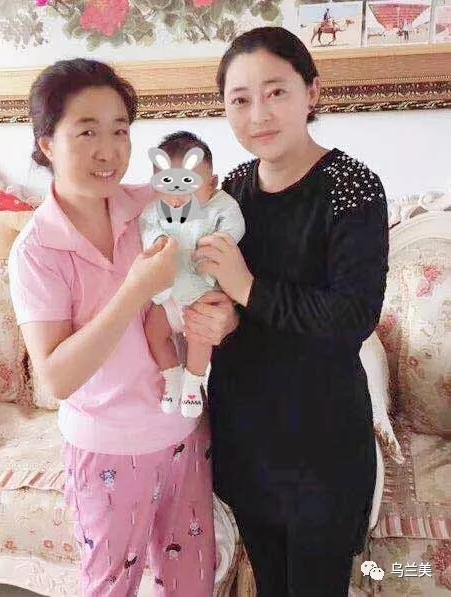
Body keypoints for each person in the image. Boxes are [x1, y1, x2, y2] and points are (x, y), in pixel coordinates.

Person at [8, 59, 236, 596]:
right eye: (87, 132)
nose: (108, 150)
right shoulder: (36, 251)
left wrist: (223, 316)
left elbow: (207, 283)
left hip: (184, 434)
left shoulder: (156, 207)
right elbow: (56, 378)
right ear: (47, 143)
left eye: (120, 131)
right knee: (110, 587)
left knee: (193, 583)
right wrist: (134, 289)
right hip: (106, 451)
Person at [194, 27, 388, 596]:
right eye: (240, 99)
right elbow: (221, 296)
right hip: (246, 431)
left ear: (312, 92)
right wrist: (225, 313)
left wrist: (248, 288)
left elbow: (352, 317)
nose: (259, 114)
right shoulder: (232, 190)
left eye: (276, 91)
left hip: (321, 441)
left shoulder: (352, 188)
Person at [140, 131, 245, 418]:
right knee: (153, 331)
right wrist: (156, 241)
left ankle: (192, 384)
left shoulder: (220, 205)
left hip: (201, 290)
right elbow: (147, 227)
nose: (177, 199)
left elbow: (235, 225)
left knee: (201, 336)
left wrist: (222, 240)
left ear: (212, 183)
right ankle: (172, 376)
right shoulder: (155, 210)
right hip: (169, 294)